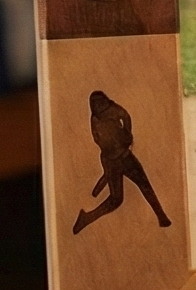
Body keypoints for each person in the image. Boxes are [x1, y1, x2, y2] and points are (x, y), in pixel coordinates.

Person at [73, 90, 172, 233]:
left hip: (124, 157)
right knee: (116, 199)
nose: (99, 106)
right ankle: (87, 218)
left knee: (144, 185)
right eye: (95, 104)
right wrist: (110, 145)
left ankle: (161, 216)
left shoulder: (112, 109)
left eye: (100, 102)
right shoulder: (95, 119)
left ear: (105, 101)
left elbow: (125, 116)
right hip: (110, 160)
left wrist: (127, 134)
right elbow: (97, 138)